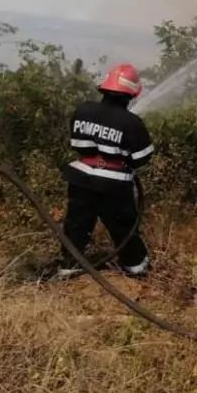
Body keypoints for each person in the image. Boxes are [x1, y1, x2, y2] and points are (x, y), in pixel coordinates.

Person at [54, 63, 155, 279]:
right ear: (131, 94)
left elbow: (75, 143)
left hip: (81, 178)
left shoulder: (82, 110)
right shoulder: (132, 122)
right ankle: (136, 267)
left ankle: (68, 266)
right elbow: (142, 157)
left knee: (76, 224)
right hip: (114, 183)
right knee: (123, 226)